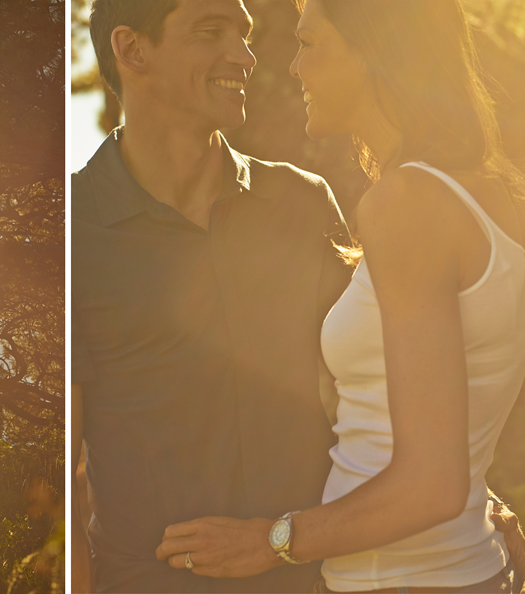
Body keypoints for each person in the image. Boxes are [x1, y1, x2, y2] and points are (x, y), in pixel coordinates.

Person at [154, 1, 525, 593]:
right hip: (461, 569)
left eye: (310, 44)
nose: (294, 69)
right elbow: (446, 421)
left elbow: (432, 483)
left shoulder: (409, 203)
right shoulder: (491, 195)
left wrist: (270, 541)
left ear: (375, 50)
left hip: (403, 581)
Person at [72, 0, 353, 591]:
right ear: (132, 50)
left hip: (315, 579)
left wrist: (479, 506)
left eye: (244, 35)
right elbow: (57, 474)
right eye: (211, 32)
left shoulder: (303, 204)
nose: (244, 55)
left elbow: (385, 391)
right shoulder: (68, 232)